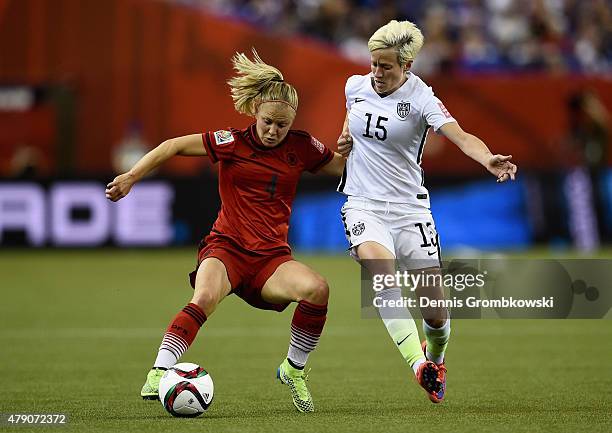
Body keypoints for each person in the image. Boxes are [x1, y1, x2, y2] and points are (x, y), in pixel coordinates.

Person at [105, 49, 346, 413]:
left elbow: (343, 170)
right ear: (255, 112)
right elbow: (172, 146)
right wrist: (131, 176)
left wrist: (356, 145)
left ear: (292, 121)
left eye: (282, 125)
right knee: (203, 298)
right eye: (268, 121)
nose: (273, 130)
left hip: (271, 260)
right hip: (226, 249)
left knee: (318, 289)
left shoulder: (302, 147)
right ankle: (159, 370)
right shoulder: (232, 142)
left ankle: (293, 369)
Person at [336, 20, 517, 403]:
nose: (377, 73)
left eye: (386, 67)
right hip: (362, 203)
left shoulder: (422, 98)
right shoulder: (354, 87)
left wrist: (487, 159)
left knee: (434, 313)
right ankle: (419, 366)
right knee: (382, 277)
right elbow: (349, 133)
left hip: (409, 210)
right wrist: (344, 142)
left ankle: (436, 358)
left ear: (408, 66)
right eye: (373, 64)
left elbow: (461, 135)